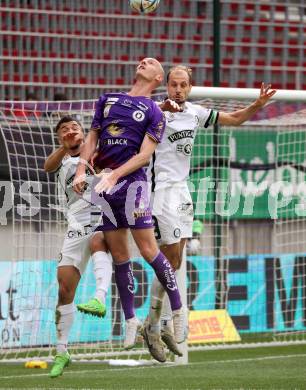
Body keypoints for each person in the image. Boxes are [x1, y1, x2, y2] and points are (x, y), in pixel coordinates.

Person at [145, 65, 277, 361]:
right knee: (168, 261)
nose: (178, 89)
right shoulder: (154, 110)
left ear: (190, 88)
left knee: (175, 261)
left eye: (183, 85)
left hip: (182, 191)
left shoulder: (195, 111)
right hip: (161, 192)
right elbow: (131, 121)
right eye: (173, 84)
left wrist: (257, 104)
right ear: (166, 86)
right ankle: (157, 323)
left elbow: (232, 119)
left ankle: (157, 322)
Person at [73, 58, 185, 361]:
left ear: (157, 77)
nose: (145, 60)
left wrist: (114, 174)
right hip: (105, 186)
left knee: (149, 251)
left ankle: (177, 311)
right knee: (120, 255)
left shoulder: (153, 112)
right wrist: (82, 169)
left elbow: (145, 155)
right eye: (144, 59)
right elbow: (93, 137)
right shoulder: (107, 99)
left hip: (132, 184)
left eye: (152, 63)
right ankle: (132, 320)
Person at [45, 116, 113, 378]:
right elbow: (46, 167)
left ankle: (99, 297)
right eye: (64, 129)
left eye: (74, 127)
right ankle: (62, 351)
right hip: (74, 226)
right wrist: (64, 145)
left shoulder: (98, 152)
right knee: (64, 288)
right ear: (59, 137)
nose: (70, 131)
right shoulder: (61, 160)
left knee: (99, 241)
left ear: (84, 132)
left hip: (101, 216)